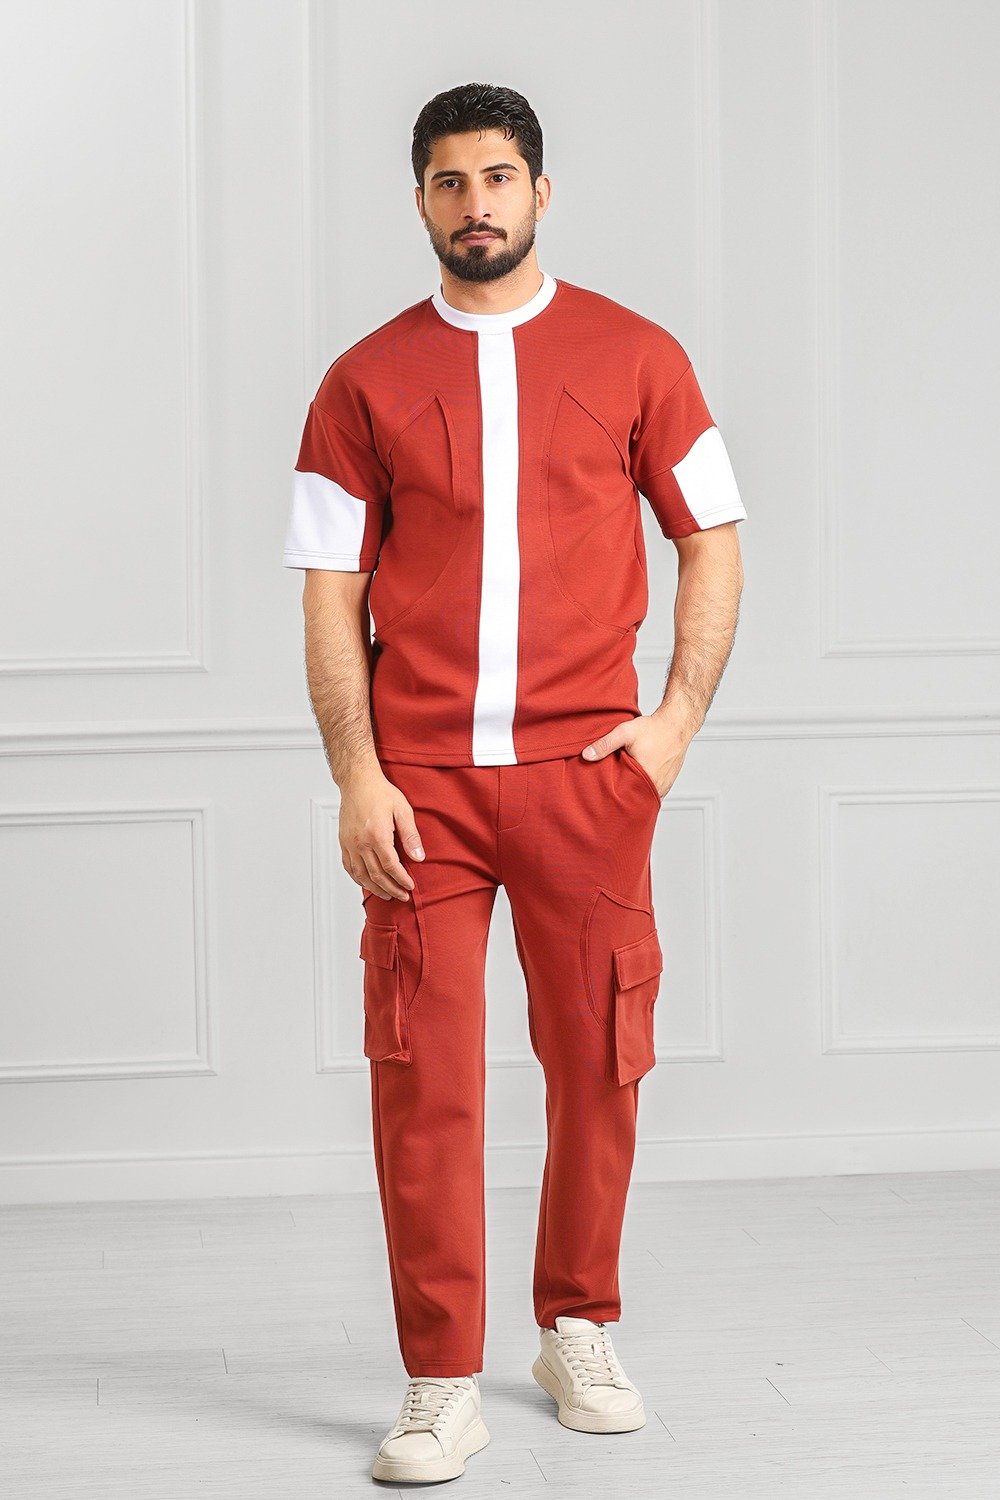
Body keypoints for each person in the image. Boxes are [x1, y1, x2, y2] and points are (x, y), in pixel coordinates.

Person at [283, 81, 746, 1486]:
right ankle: (439, 1378)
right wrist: (357, 775)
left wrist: (672, 724)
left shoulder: (639, 355)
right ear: (419, 201)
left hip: (585, 781)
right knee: (422, 1083)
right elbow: (330, 592)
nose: (473, 203)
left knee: (599, 1065)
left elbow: (712, 538)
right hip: (419, 790)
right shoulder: (361, 381)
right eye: (447, 181)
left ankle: (577, 1325)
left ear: (541, 193)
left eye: (496, 178)